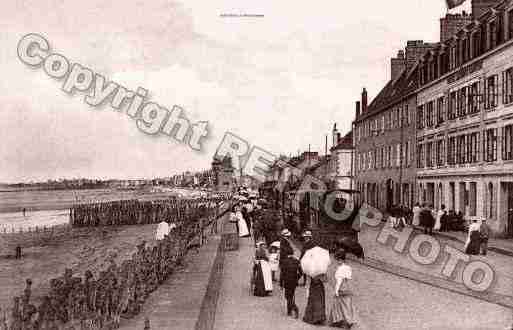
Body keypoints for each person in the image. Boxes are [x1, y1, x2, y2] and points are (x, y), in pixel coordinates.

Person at [329, 249, 357, 329]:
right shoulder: (348, 267)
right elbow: (349, 278)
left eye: (337, 260)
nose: (337, 262)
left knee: (339, 305)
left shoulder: (340, 269)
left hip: (342, 288)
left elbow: (339, 281)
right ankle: (347, 320)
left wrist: (336, 291)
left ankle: (341, 320)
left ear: (340, 260)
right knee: (347, 305)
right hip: (347, 287)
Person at [279, 248, 302, 318]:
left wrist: (281, 284)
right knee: (291, 295)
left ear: (287, 254)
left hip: (286, 281)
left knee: (287, 296)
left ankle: (293, 308)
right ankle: (291, 309)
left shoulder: (284, 261)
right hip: (294, 282)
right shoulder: (297, 261)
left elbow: (282, 274)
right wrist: (297, 278)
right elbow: (301, 272)